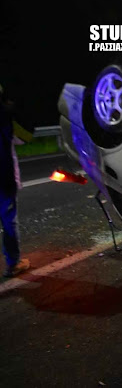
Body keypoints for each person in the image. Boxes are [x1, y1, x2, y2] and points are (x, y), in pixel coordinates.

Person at [0, 84, 29, 277]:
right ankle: (13, 263)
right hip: (4, 178)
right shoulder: (6, 115)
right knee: (8, 221)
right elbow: (25, 136)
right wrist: (14, 109)